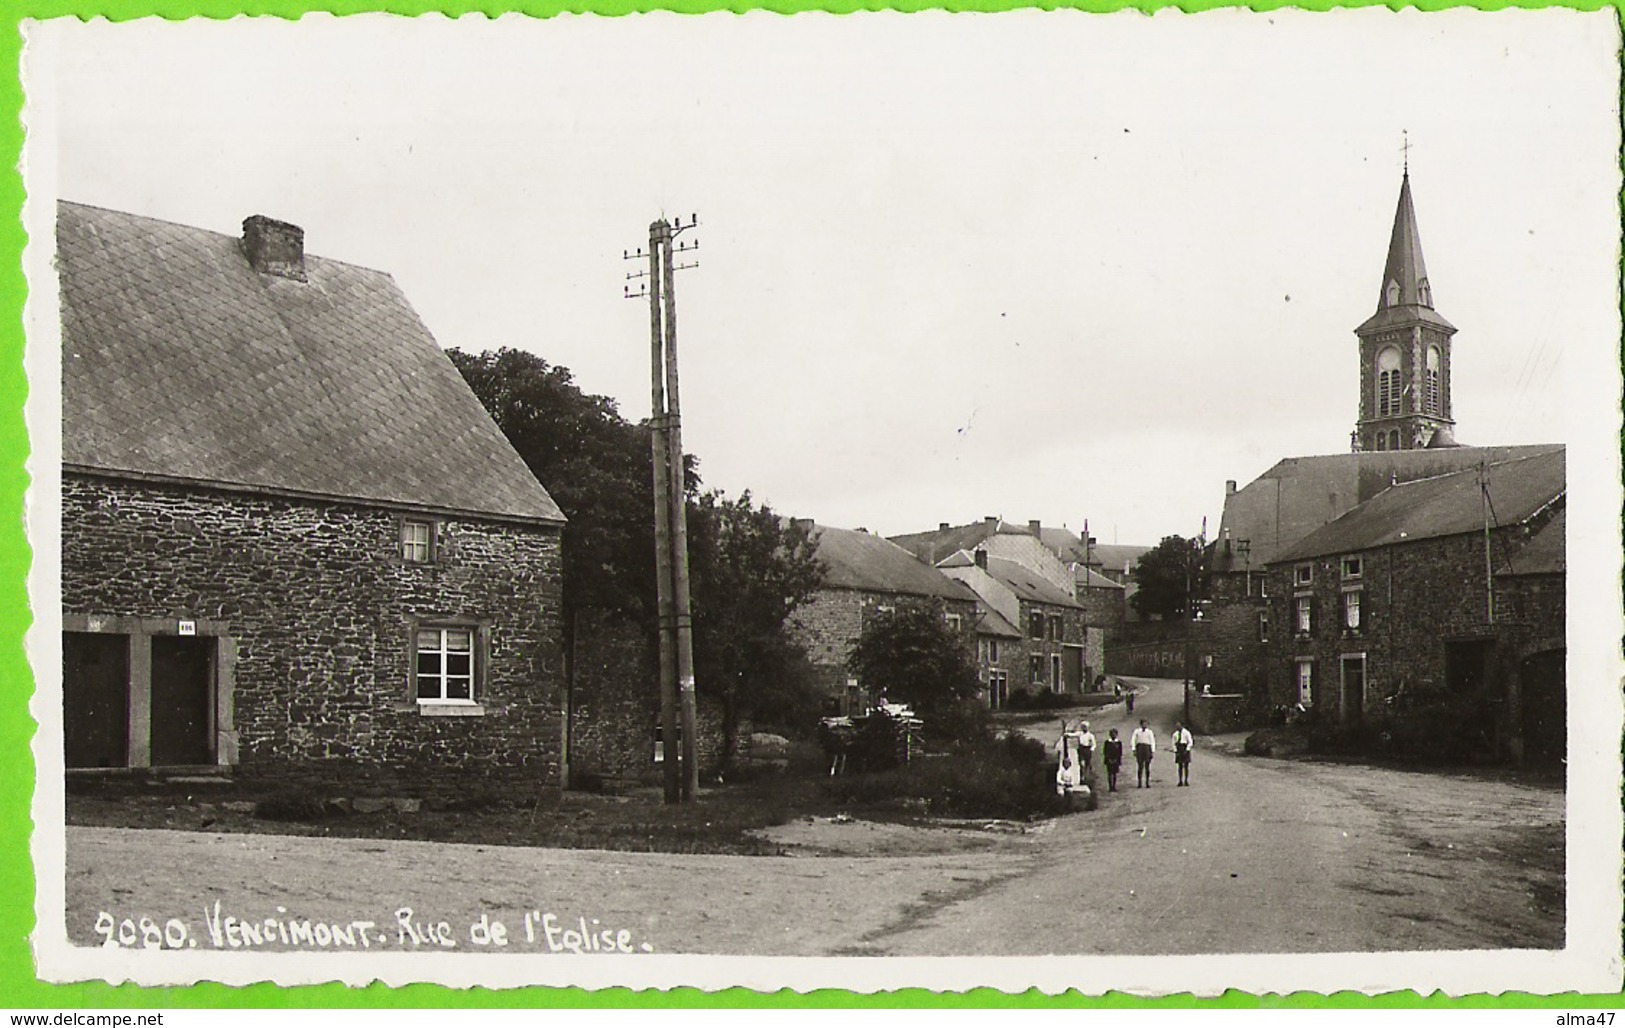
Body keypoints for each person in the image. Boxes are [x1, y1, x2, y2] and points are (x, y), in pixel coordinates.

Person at [1131, 718, 1156, 788]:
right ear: (1141, 724)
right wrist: (1134, 749)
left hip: (1147, 748)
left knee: (1147, 766)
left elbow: (1152, 741)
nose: (1144, 725)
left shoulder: (1150, 732)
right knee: (1140, 766)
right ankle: (1139, 782)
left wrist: (1152, 751)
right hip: (1140, 748)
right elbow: (1133, 740)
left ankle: (1147, 782)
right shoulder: (1137, 731)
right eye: (1143, 723)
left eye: (1146, 723)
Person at [1172, 721, 1194, 786]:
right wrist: (1175, 751)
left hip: (1185, 748)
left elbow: (1190, 742)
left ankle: (1186, 780)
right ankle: (1180, 780)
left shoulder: (1186, 733)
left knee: (1186, 766)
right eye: (1176, 726)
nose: (1177, 727)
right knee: (1180, 766)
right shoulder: (1175, 734)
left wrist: (1187, 750)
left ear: (1182, 725)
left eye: (1179, 725)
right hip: (1179, 748)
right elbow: (1173, 743)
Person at [1102, 728, 1123, 792]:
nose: (1113, 735)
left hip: (1116, 760)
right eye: (1112, 734)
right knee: (1109, 773)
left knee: (1114, 774)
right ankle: (1110, 786)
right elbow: (1105, 752)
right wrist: (1108, 759)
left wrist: (1117, 760)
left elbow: (1120, 752)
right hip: (1109, 760)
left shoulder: (1119, 743)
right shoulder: (1107, 742)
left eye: (1115, 734)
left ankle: (1114, 786)